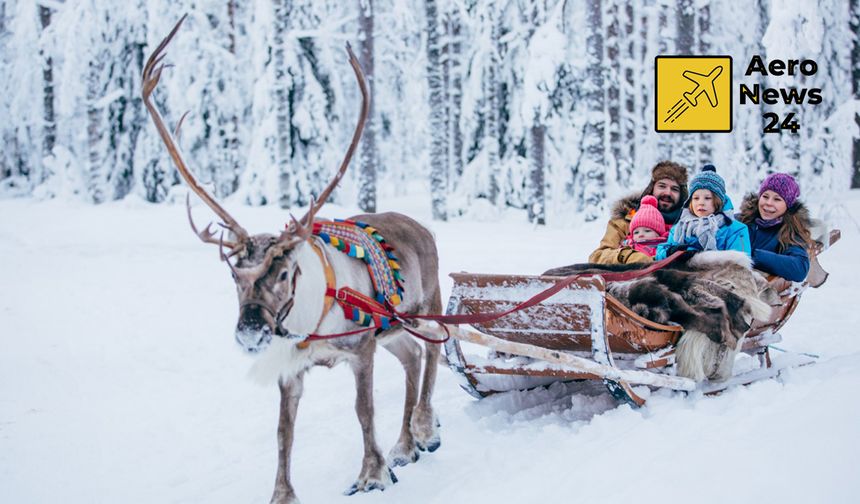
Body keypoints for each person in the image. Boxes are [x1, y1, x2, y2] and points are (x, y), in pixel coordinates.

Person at [589, 161, 688, 264]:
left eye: (674, 189)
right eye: (662, 186)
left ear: (682, 195)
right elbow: (598, 257)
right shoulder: (625, 220)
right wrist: (631, 257)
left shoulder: (688, 225)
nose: (667, 193)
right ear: (651, 188)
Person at [656, 165, 750, 259]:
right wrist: (670, 252)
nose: (701, 203)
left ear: (718, 201)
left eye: (707, 198)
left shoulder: (735, 230)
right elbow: (660, 253)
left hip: (719, 272)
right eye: (696, 198)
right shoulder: (680, 228)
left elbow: (740, 263)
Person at [737, 173, 813, 282]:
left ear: (788, 205)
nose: (768, 203)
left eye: (777, 199)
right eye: (765, 196)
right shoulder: (742, 220)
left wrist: (754, 255)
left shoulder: (790, 231)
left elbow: (799, 268)